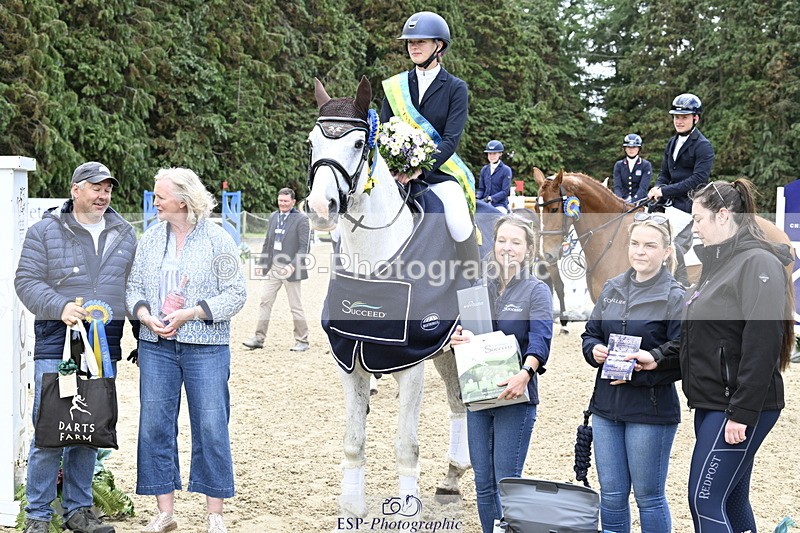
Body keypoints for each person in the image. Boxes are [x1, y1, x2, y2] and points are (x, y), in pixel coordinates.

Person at [639, 179, 794, 532]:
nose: (694, 228)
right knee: (731, 498)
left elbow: (763, 342)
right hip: (712, 402)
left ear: (723, 215)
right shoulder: (717, 265)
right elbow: (701, 337)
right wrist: (657, 358)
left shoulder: (757, 263)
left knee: (704, 500)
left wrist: (741, 412)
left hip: (734, 406)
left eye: (698, 219)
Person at [15, 162, 136, 533]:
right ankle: (38, 513)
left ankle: (79, 510)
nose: (103, 196)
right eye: (95, 188)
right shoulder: (44, 231)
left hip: (103, 346)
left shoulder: (125, 234)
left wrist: (141, 337)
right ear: (75, 190)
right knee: (50, 428)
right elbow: (26, 281)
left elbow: (133, 291)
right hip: (57, 345)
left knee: (90, 427)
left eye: (108, 189)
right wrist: (59, 306)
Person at [126, 168, 247, 533]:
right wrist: (145, 315)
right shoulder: (149, 238)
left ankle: (215, 515)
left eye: (160, 195)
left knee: (211, 426)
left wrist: (192, 313)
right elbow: (133, 288)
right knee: (154, 426)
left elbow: (236, 293)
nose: (155, 201)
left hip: (206, 347)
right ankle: (165, 512)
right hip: (156, 347)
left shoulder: (219, 239)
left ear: (183, 200)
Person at [581, 213, 684, 533]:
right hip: (606, 406)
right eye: (635, 243)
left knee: (649, 497)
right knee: (611, 496)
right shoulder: (611, 287)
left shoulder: (675, 295)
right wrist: (593, 350)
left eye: (650, 245)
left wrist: (653, 357)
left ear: (666, 251)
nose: (640, 251)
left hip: (649, 408)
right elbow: (590, 334)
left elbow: (685, 349)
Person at [450, 215, 553, 533]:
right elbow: (467, 333)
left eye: (516, 242)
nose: (507, 248)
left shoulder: (537, 291)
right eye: (502, 240)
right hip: (479, 395)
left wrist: (525, 373)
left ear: (528, 249)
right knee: (483, 482)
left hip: (515, 395)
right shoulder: (478, 287)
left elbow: (540, 338)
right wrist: (456, 338)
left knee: (506, 482)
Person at [380, 10, 480, 270]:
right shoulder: (395, 87)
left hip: (438, 174)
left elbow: (450, 140)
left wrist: (420, 169)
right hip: (394, 175)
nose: (414, 47)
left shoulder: (456, 88)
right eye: (410, 42)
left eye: (420, 41)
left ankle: (473, 282)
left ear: (439, 46)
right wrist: (394, 168)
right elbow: (382, 133)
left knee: (459, 221)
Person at [242, 187, 311, 352]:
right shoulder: (273, 216)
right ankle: (258, 338)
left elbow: (304, 248)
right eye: (280, 200)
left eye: (286, 201)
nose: (283, 204)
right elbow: (268, 243)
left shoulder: (301, 219)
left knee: (295, 306)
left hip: (291, 269)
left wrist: (292, 265)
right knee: (265, 301)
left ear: (293, 202)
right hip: (273, 266)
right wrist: (261, 264)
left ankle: (302, 340)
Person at [647, 93, 715, 214]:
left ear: (695, 119)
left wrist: (664, 191)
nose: (679, 122)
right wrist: (658, 187)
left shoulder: (703, 146)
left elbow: (697, 180)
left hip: (688, 205)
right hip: (667, 201)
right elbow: (665, 173)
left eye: (684, 117)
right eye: (676, 117)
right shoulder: (672, 142)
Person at [612, 133, 653, 203]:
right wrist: (620, 201)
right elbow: (617, 187)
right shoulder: (618, 165)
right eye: (628, 147)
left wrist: (633, 202)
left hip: (639, 201)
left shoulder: (646, 165)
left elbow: (643, 188)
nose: (631, 150)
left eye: (634, 147)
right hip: (622, 201)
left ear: (639, 149)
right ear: (625, 149)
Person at [477, 140, 513, 213]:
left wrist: (491, 198)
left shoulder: (506, 170)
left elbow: (505, 191)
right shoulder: (484, 170)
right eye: (490, 154)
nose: (491, 156)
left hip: (500, 205)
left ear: (500, 154)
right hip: (485, 204)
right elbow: (481, 189)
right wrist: (477, 196)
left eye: (494, 154)